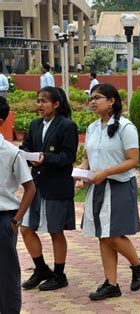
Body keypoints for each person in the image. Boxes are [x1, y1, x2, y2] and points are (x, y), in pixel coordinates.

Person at [78, 83, 140, 300]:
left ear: (112, 101)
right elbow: (88, 157)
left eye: (98, 97)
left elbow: (133, 160)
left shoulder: (125, 127)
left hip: (118, 185)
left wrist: (106, 172)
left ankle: (138, 265)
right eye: (91, 98)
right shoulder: (92, 128)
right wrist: (82, 171)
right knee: (103, 234)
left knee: (112, 234)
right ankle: (111, 283)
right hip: (98, 186)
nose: (93, 101)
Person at [19, 87, 78, 292]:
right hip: (35, 186)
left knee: (55, 231)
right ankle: (41, 269)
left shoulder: (67, 126)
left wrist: (46, 158)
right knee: (26, 228)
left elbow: (68, 156)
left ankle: (59, 275)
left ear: (56, 104)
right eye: (38, 101)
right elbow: (25, 147)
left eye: (44, 101)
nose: (39, 105)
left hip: (56, 186)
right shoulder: (35, 124)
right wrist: (29, 156)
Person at [0, 96, 36, 314]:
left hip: (4, 220)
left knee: (6, 273)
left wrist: (16, 221)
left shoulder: (11, 153)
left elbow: (30, 188)